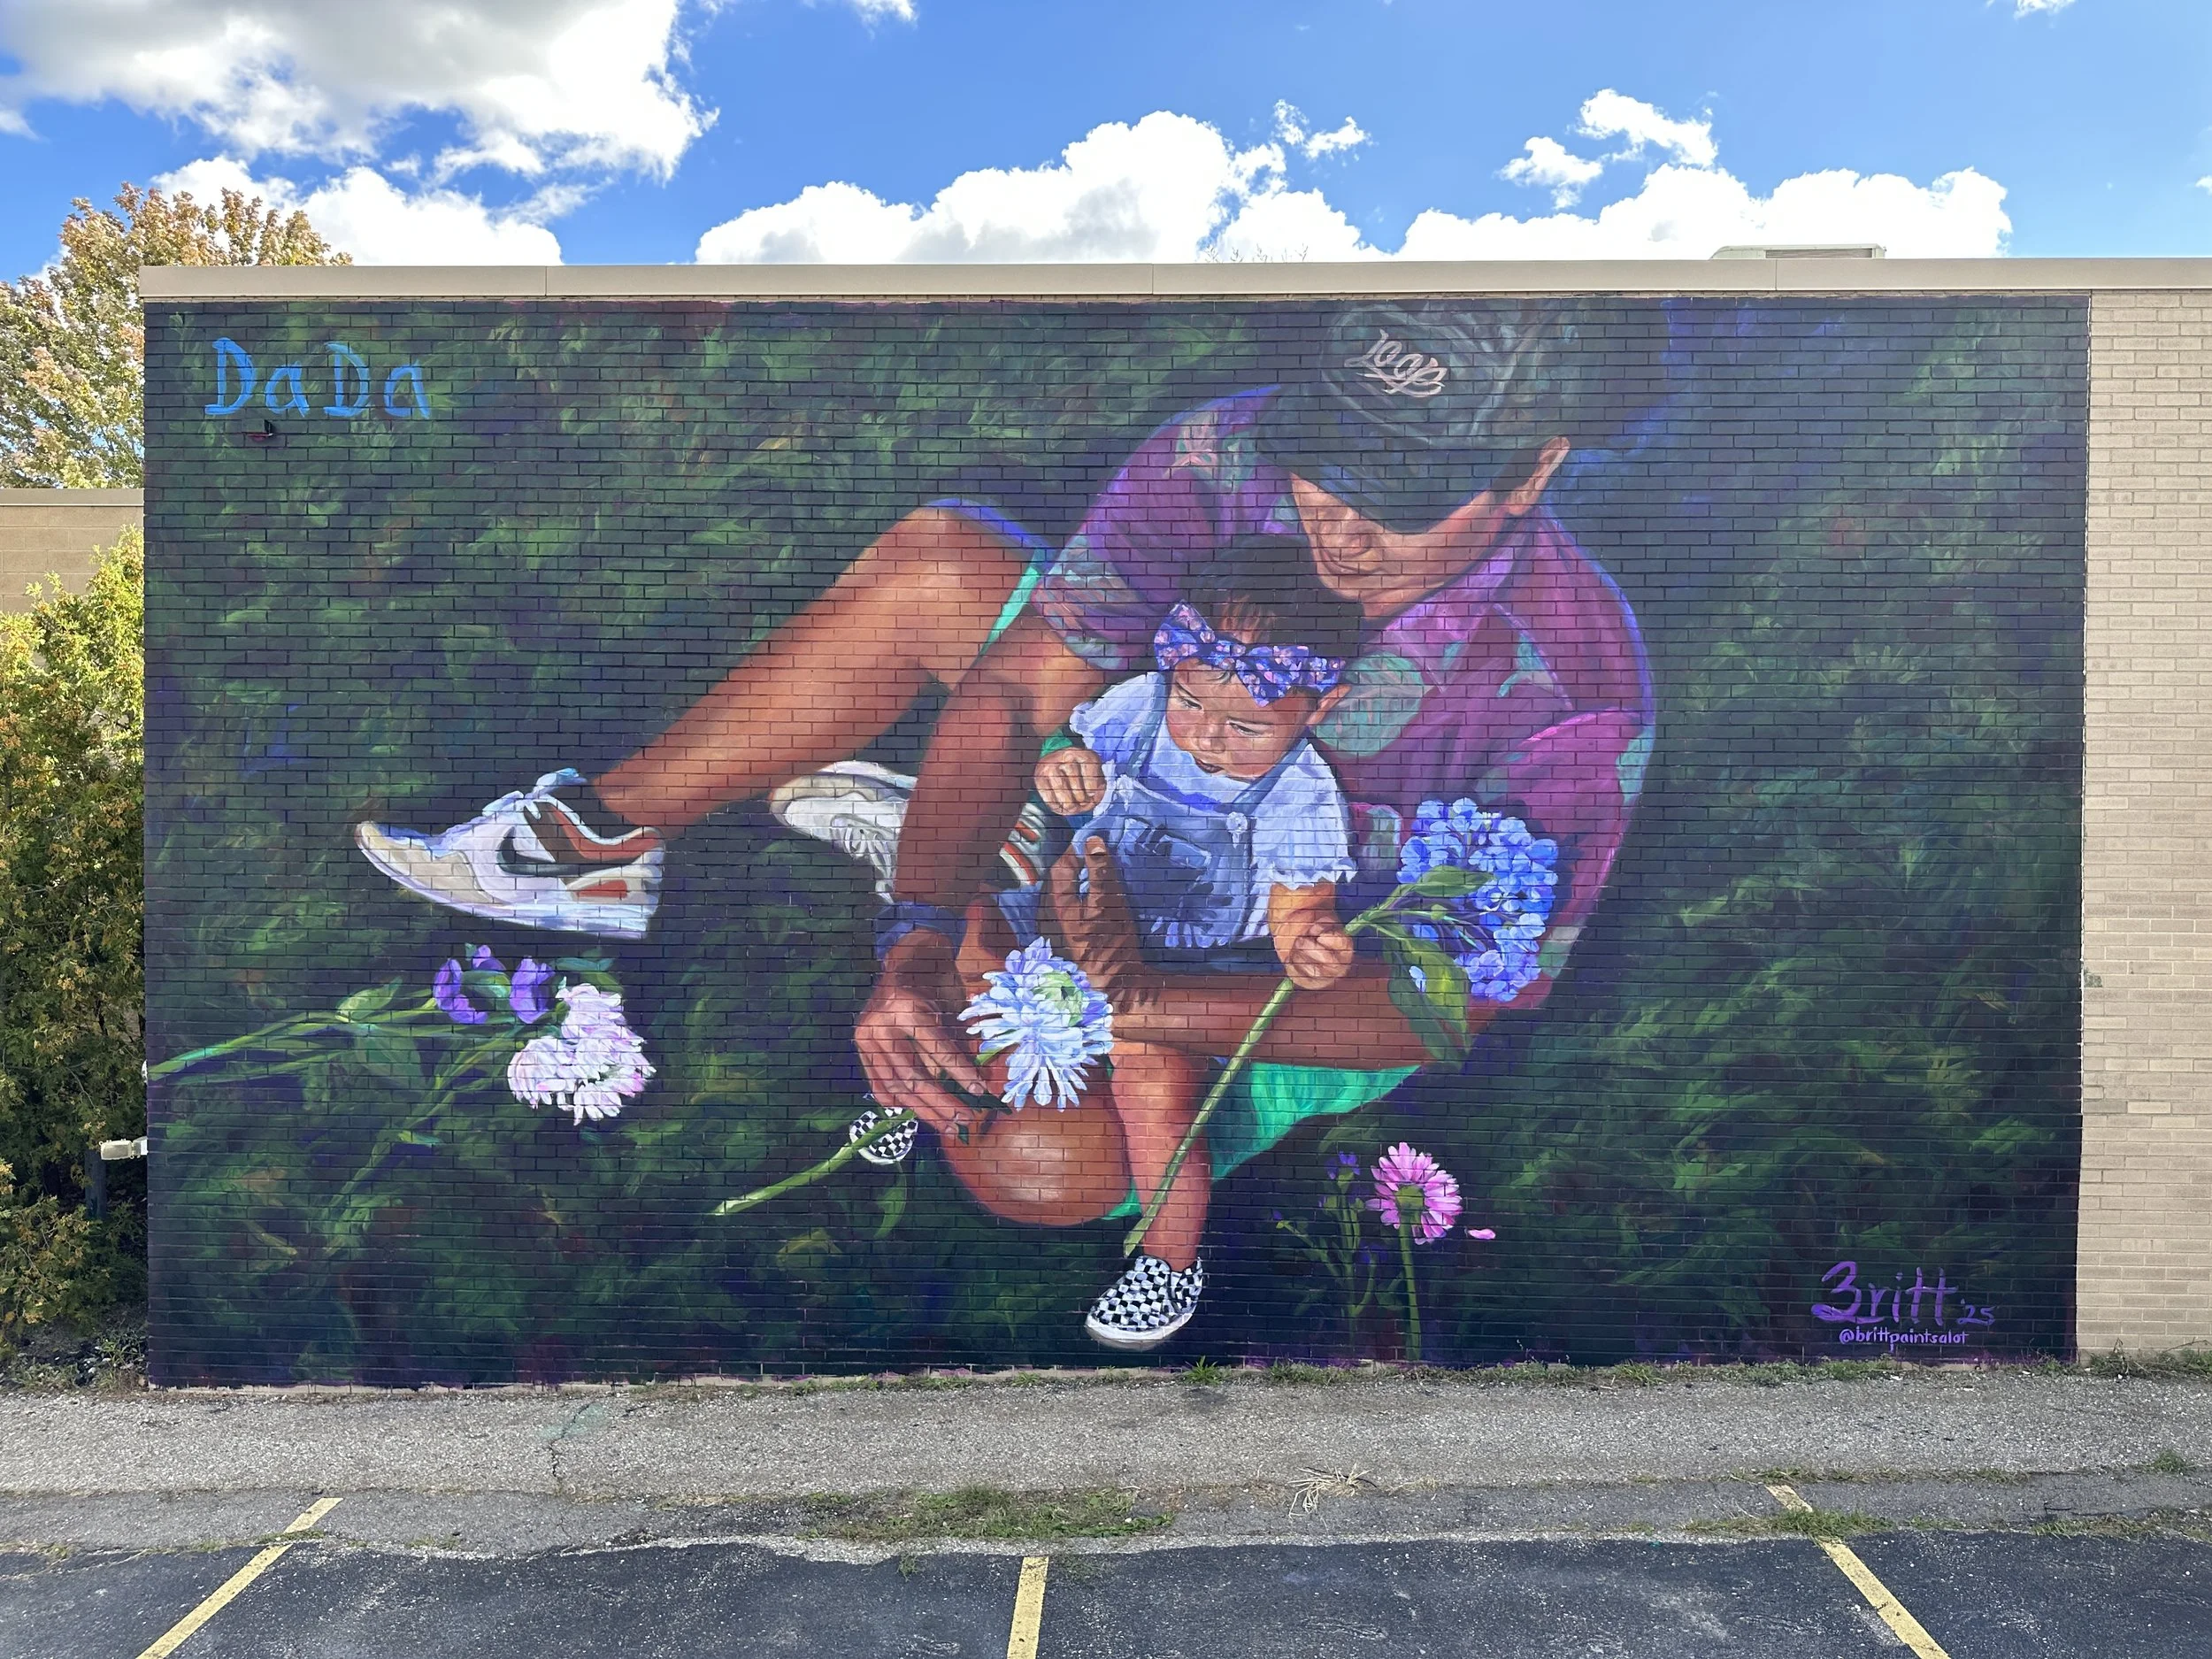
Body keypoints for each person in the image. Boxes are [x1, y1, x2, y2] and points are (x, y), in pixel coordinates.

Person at [354, 303, 1656, 1297]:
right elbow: (1019, 693)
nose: (1343, 520)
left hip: (1267, 959)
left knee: (1046, 1166)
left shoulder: (1575, 692)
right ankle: (596, 840)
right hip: (1130, 792)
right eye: (1332, 461)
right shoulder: (1229, 452)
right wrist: (920, 938)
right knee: (939, 570)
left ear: (1534, 468)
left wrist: (1133, 997)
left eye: (1406, 491)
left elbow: (1440, 1005)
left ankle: (970, 863)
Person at [950, 534, 1363, 1347]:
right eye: (1193, 702)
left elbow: (1296, 910)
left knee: (1155, 1087)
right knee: (968, 935)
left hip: (1175, 971)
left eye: (1244, 725)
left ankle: (1170, 1260)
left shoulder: (1303, 796)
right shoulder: (1140, 710)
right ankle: (925, 1086)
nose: (1206, 736)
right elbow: (1074, 761)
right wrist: (1062, 770)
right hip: (1067, 917)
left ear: (1321, 706)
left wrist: (1310, 941)